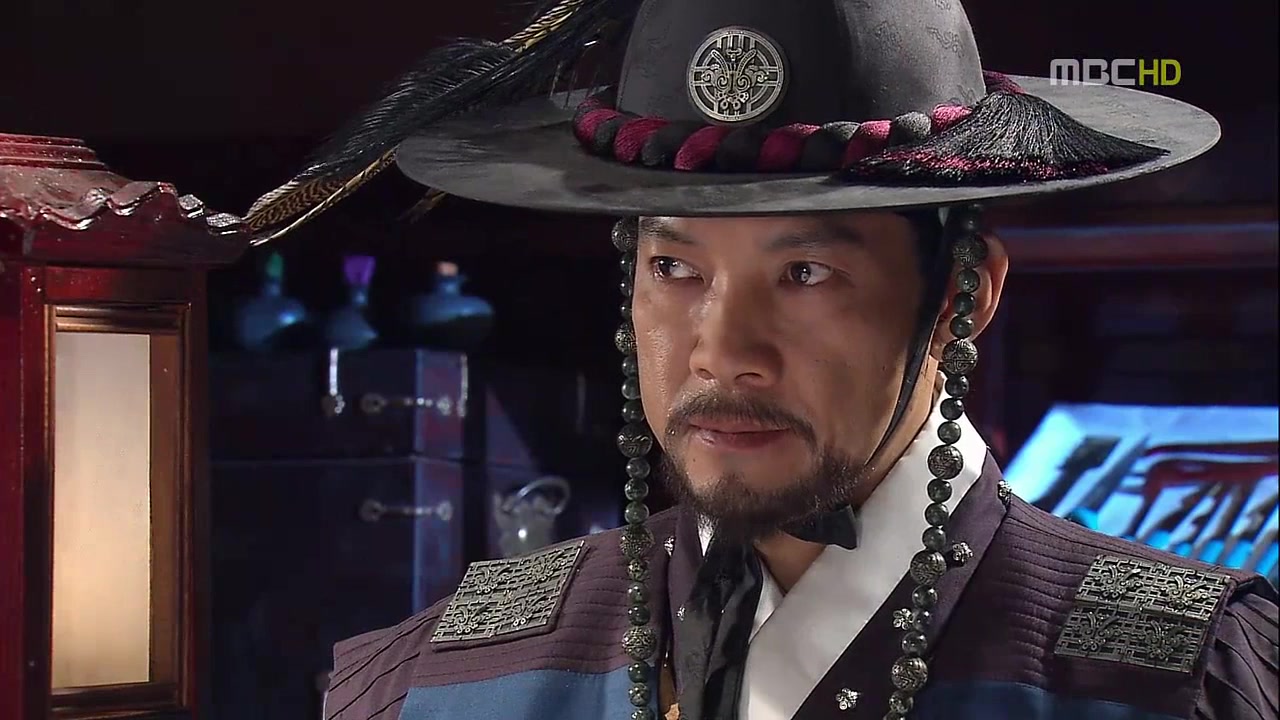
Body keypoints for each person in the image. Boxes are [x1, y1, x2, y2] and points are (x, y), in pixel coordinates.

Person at [247, 1, 1279, 718]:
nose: (721, 352)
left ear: (961, 298)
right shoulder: (448, 678)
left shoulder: (1188, 679)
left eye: (805, 274)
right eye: (674, 268)